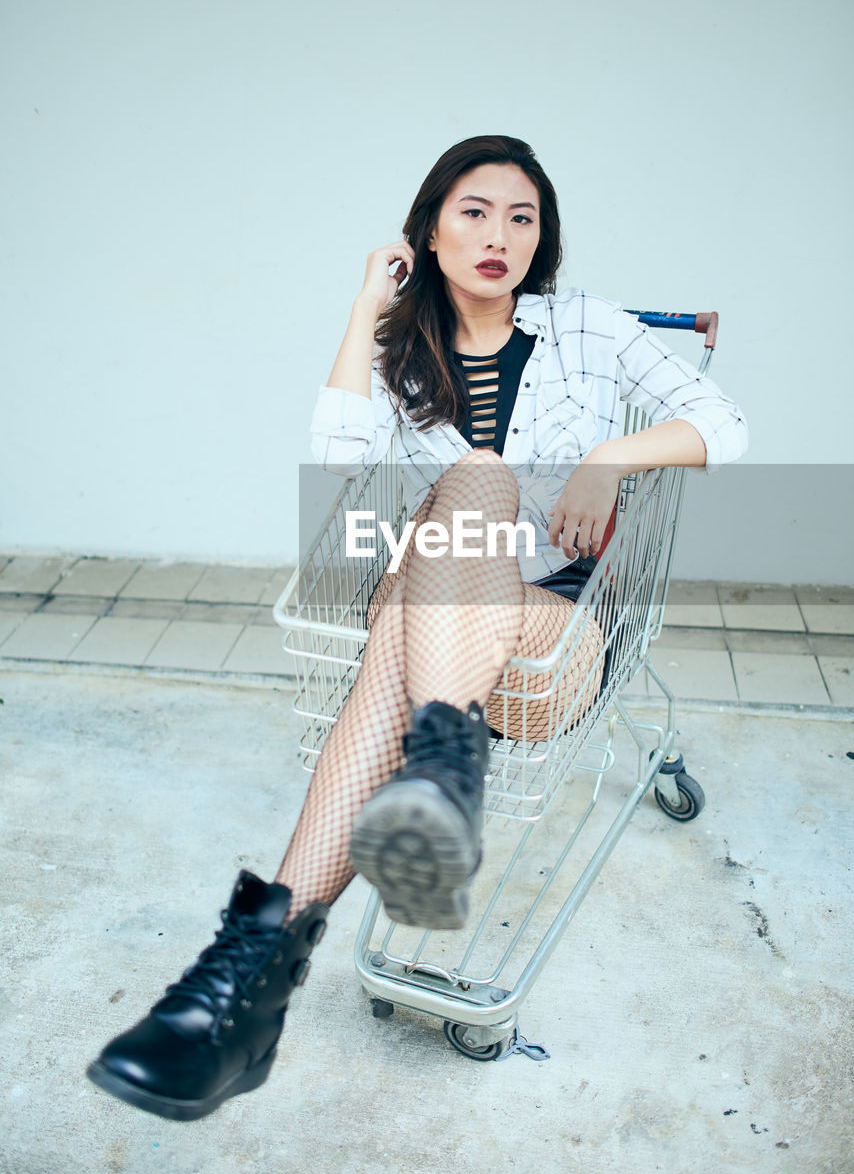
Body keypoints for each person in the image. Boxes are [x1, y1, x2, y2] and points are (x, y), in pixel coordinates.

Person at [87, 136, 748, 1121]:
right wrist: (364, 308)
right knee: (444, 530)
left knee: (436, 546)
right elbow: (336, 453)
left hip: (544, 648)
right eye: (473, 211)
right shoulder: (402, 351)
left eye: (520, 216)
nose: (498, 234)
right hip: (438, 638)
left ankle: (242, 982)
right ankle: (406, 803)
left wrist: (608, 456)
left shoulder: (586, 331)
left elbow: (722, 424)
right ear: (427, 229)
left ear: (541, 238)